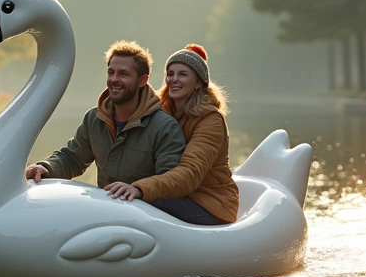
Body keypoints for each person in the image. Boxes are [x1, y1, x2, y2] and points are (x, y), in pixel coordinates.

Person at [103, 44, 240, 226]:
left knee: (146, 202)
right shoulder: (161, 113)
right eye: (170, 74)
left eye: (183, 74)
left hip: (211, 204)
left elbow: (190, 173)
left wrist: (140, 188)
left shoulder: (211, 120)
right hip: (177, 195)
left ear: (199, 82)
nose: (174, 79)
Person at [25, 41, 186, 192]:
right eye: (111, 73)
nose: (114, 79)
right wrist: (46, 167)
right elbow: (72, 159)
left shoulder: (165, 126)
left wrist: (139, 189)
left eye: (123, 74)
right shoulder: (94, 118)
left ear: (142, 80)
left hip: (143, 218)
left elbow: (170, 182)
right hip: (107, 216)